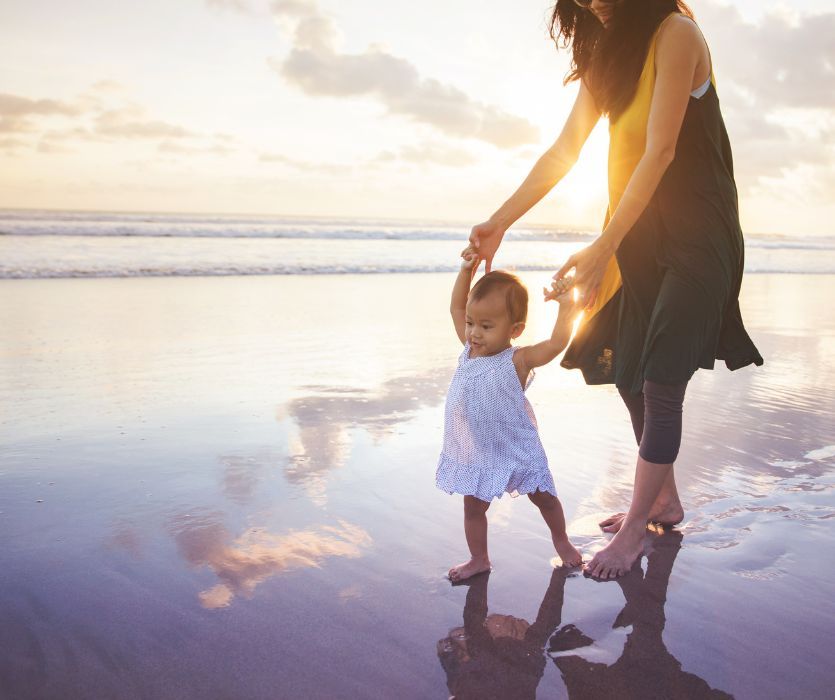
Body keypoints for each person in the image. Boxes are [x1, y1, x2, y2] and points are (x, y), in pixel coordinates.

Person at [467, 0, 763, 579]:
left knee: (660, 378)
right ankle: (664, 501)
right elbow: (563, 152)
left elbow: (661, 151)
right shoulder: (607, 58)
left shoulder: (676, 34)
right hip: (637, 236)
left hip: (699, 234)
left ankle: (634, 531)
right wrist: (500, 220)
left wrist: (603, 245)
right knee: (628, 369)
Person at [436, 247, 582, 582]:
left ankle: (562, 542)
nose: (474, 333)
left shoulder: (517, 360)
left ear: (515, 329)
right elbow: (457, 306)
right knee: (473, 507)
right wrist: (465, 271)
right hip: (479, 449)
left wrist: (567, 308)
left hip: (516, 446)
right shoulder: (469, 350)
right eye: (472, 323)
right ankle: (479, 559)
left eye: (486, 326)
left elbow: (557, 343)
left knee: (544, 498)